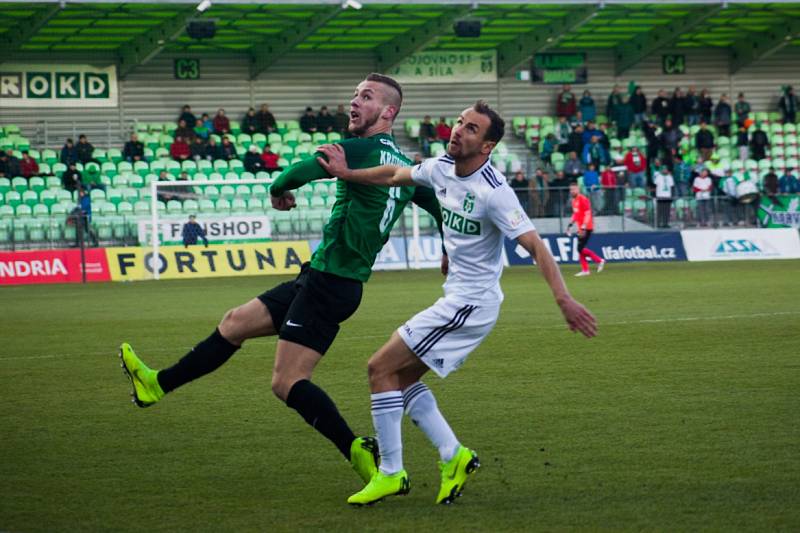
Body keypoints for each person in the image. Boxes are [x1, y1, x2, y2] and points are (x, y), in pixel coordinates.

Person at [117, 73, 445, 489]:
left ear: (388, 112)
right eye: (354, 94)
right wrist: (449, 244)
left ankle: (357, 450)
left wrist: (278, 192)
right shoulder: (403, 166)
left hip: (331, 285)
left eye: (366, 96)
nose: (354, 101)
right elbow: (436, 202)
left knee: (286, 382)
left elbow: (297, 172)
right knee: (235, 323)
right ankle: (156, 384)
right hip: (323, 278)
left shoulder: (360, 149)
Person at [315, 100, 597, 505]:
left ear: (486, 147)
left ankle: (391, 473)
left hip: (471, 305)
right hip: (459, 298)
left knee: (379, 368)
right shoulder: (440, 168)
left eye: (470, 129)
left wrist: (564, 299)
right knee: (403, 379)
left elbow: (535, 245)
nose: (458, 130)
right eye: (460, 123)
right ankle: (454, 455)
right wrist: (347, 174)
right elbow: (395, 174)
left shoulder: (494, 192)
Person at [565, 182, 605, 276]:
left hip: (587, 227)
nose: (572, 191)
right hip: (581, 228)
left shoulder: (583, 199)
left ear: (578, 189)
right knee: (580, 249)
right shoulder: (573, 201)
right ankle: (585, 270)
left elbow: (588, 213)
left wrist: (584, 226)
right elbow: (575, 214)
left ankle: (599, 260)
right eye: (570, 189)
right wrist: (570, 225)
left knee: (580, 248)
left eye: (573, 189)